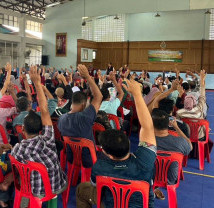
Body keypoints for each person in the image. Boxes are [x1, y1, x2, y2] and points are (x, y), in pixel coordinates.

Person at [76, 78, 157, 208]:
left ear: (108, 154)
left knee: (81, 189)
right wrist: (137, 94)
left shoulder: (99, 166)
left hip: (110, 203)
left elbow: (96, 187)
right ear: (129, 144)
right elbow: (148, 127)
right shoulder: (145, 160)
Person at [11, 66, 67, 206]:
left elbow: (17, 170)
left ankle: (25, 201)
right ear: (41, 128)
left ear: (22, 129)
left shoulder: (18, 148)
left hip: (32, 189)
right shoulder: (48, 138)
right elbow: (44, 111)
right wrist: (37, 83)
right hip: (55, 187)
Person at [58, 64, 103, 168]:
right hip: (88, 159)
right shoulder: (86, 117)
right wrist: (87, 77)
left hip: (71, 157)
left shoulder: (61, 119)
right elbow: (99, 96)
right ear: (83, 105)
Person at [152, 108, 192, 199]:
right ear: (168, 124)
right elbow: (190, 146)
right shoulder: (179, 142)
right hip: (171, 179)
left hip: (151, 178)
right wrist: (176, 127)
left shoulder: (148, 142)